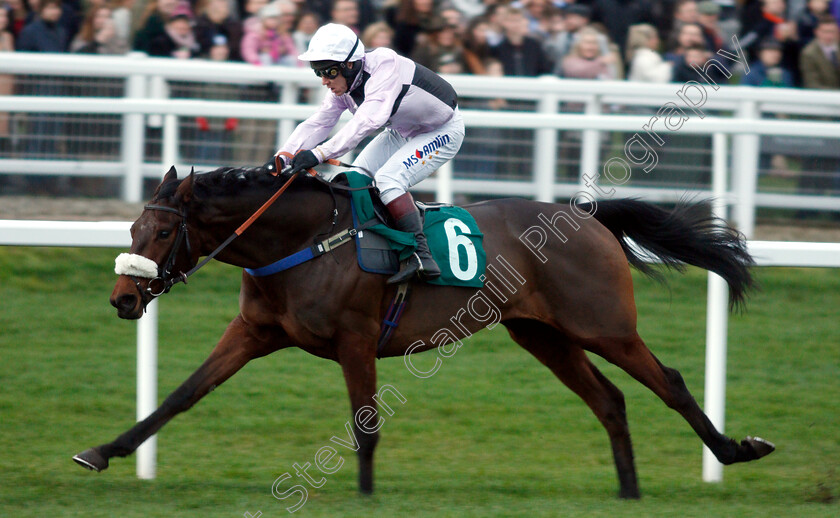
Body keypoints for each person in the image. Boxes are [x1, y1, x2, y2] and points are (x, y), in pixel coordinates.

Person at [265, 23, 465, 283]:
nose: (324, 80)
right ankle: (372, 243)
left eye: (328, 72)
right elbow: (320, 121)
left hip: (441, 131)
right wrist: (285, 154)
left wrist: (318, 154)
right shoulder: (344, 82)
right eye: (318, 73)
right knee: (357, 178)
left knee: (389, 180)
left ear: (350, 64)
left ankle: (419, 255)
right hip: (403, 130)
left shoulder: (385, 67)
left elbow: (365, 124)